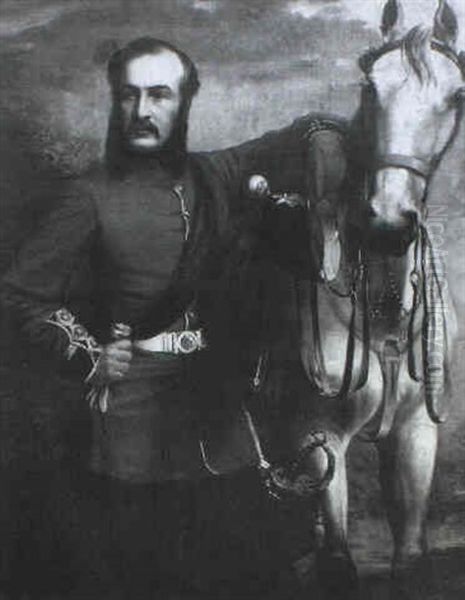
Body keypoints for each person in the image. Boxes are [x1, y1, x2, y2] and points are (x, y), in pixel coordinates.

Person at [1, 37, 345, 599]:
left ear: (184, 102)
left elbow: (303, 134)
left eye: (160, 95)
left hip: (215, 415)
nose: (143, 111)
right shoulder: (88, 197)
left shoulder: (218, 174)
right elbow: (19, 293)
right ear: (115, 103)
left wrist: (328, 138)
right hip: (133, 422)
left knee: (246, 576)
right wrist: (89, 354)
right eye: (129, 96)